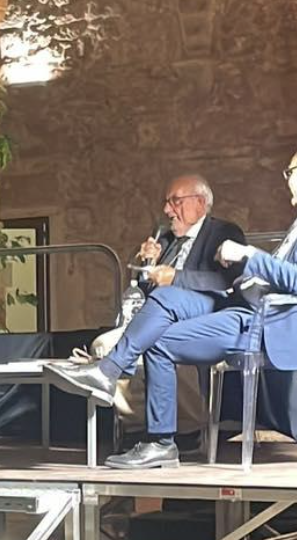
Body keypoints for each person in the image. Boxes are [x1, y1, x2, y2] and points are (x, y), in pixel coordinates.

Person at [61, 139, 297, 470]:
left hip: (275, 324)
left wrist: (247, 255)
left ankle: (159, 439)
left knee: (159, 343)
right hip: (248, 307)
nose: (286, 178)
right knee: (165, 296)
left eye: (290, 171)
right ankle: (109, 374)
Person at [47, 174, 246, 426]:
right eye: (166, 202)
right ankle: (137, 427)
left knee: (160, 338)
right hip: (158, 317)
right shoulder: (167, 240)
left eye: (175, 201)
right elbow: (146, 290)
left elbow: (226, 282)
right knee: (103, 344)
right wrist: (147, 263)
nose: (166, 210)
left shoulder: (224, 233)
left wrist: (176, 277)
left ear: (199, 202)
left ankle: (185, 429)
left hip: (202, 318)